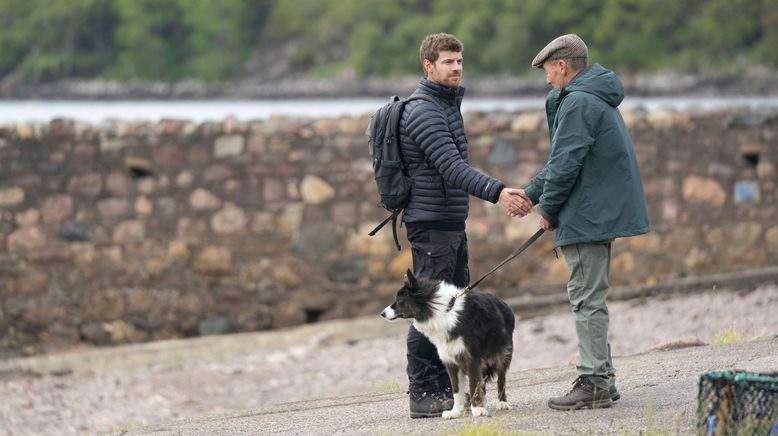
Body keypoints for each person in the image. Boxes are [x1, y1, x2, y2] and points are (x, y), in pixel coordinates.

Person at [398, 32, 531, 418]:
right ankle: (423, 392)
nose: (456, 67)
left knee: (457, 307)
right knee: (427, 308)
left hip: (450, 220)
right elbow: (451, 167)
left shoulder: (447, 105)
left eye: (459, 61)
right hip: (430, 225)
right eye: (448, 62)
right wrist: (499, 191)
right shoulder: (424, 111)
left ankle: (449, 390)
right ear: (428, 65)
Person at [522, 34, 650, 410]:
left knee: (586, 298)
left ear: (562, 66)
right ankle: (603, 379)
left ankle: (594, 381)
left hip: (588, 212)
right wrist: (533, 194)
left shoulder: (577, 101)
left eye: (548, 71)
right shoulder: (594, 95)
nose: (547, 80)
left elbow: (565, 163)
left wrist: (545, 209)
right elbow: (566, 159)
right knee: (591, 295)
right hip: (593, 209)